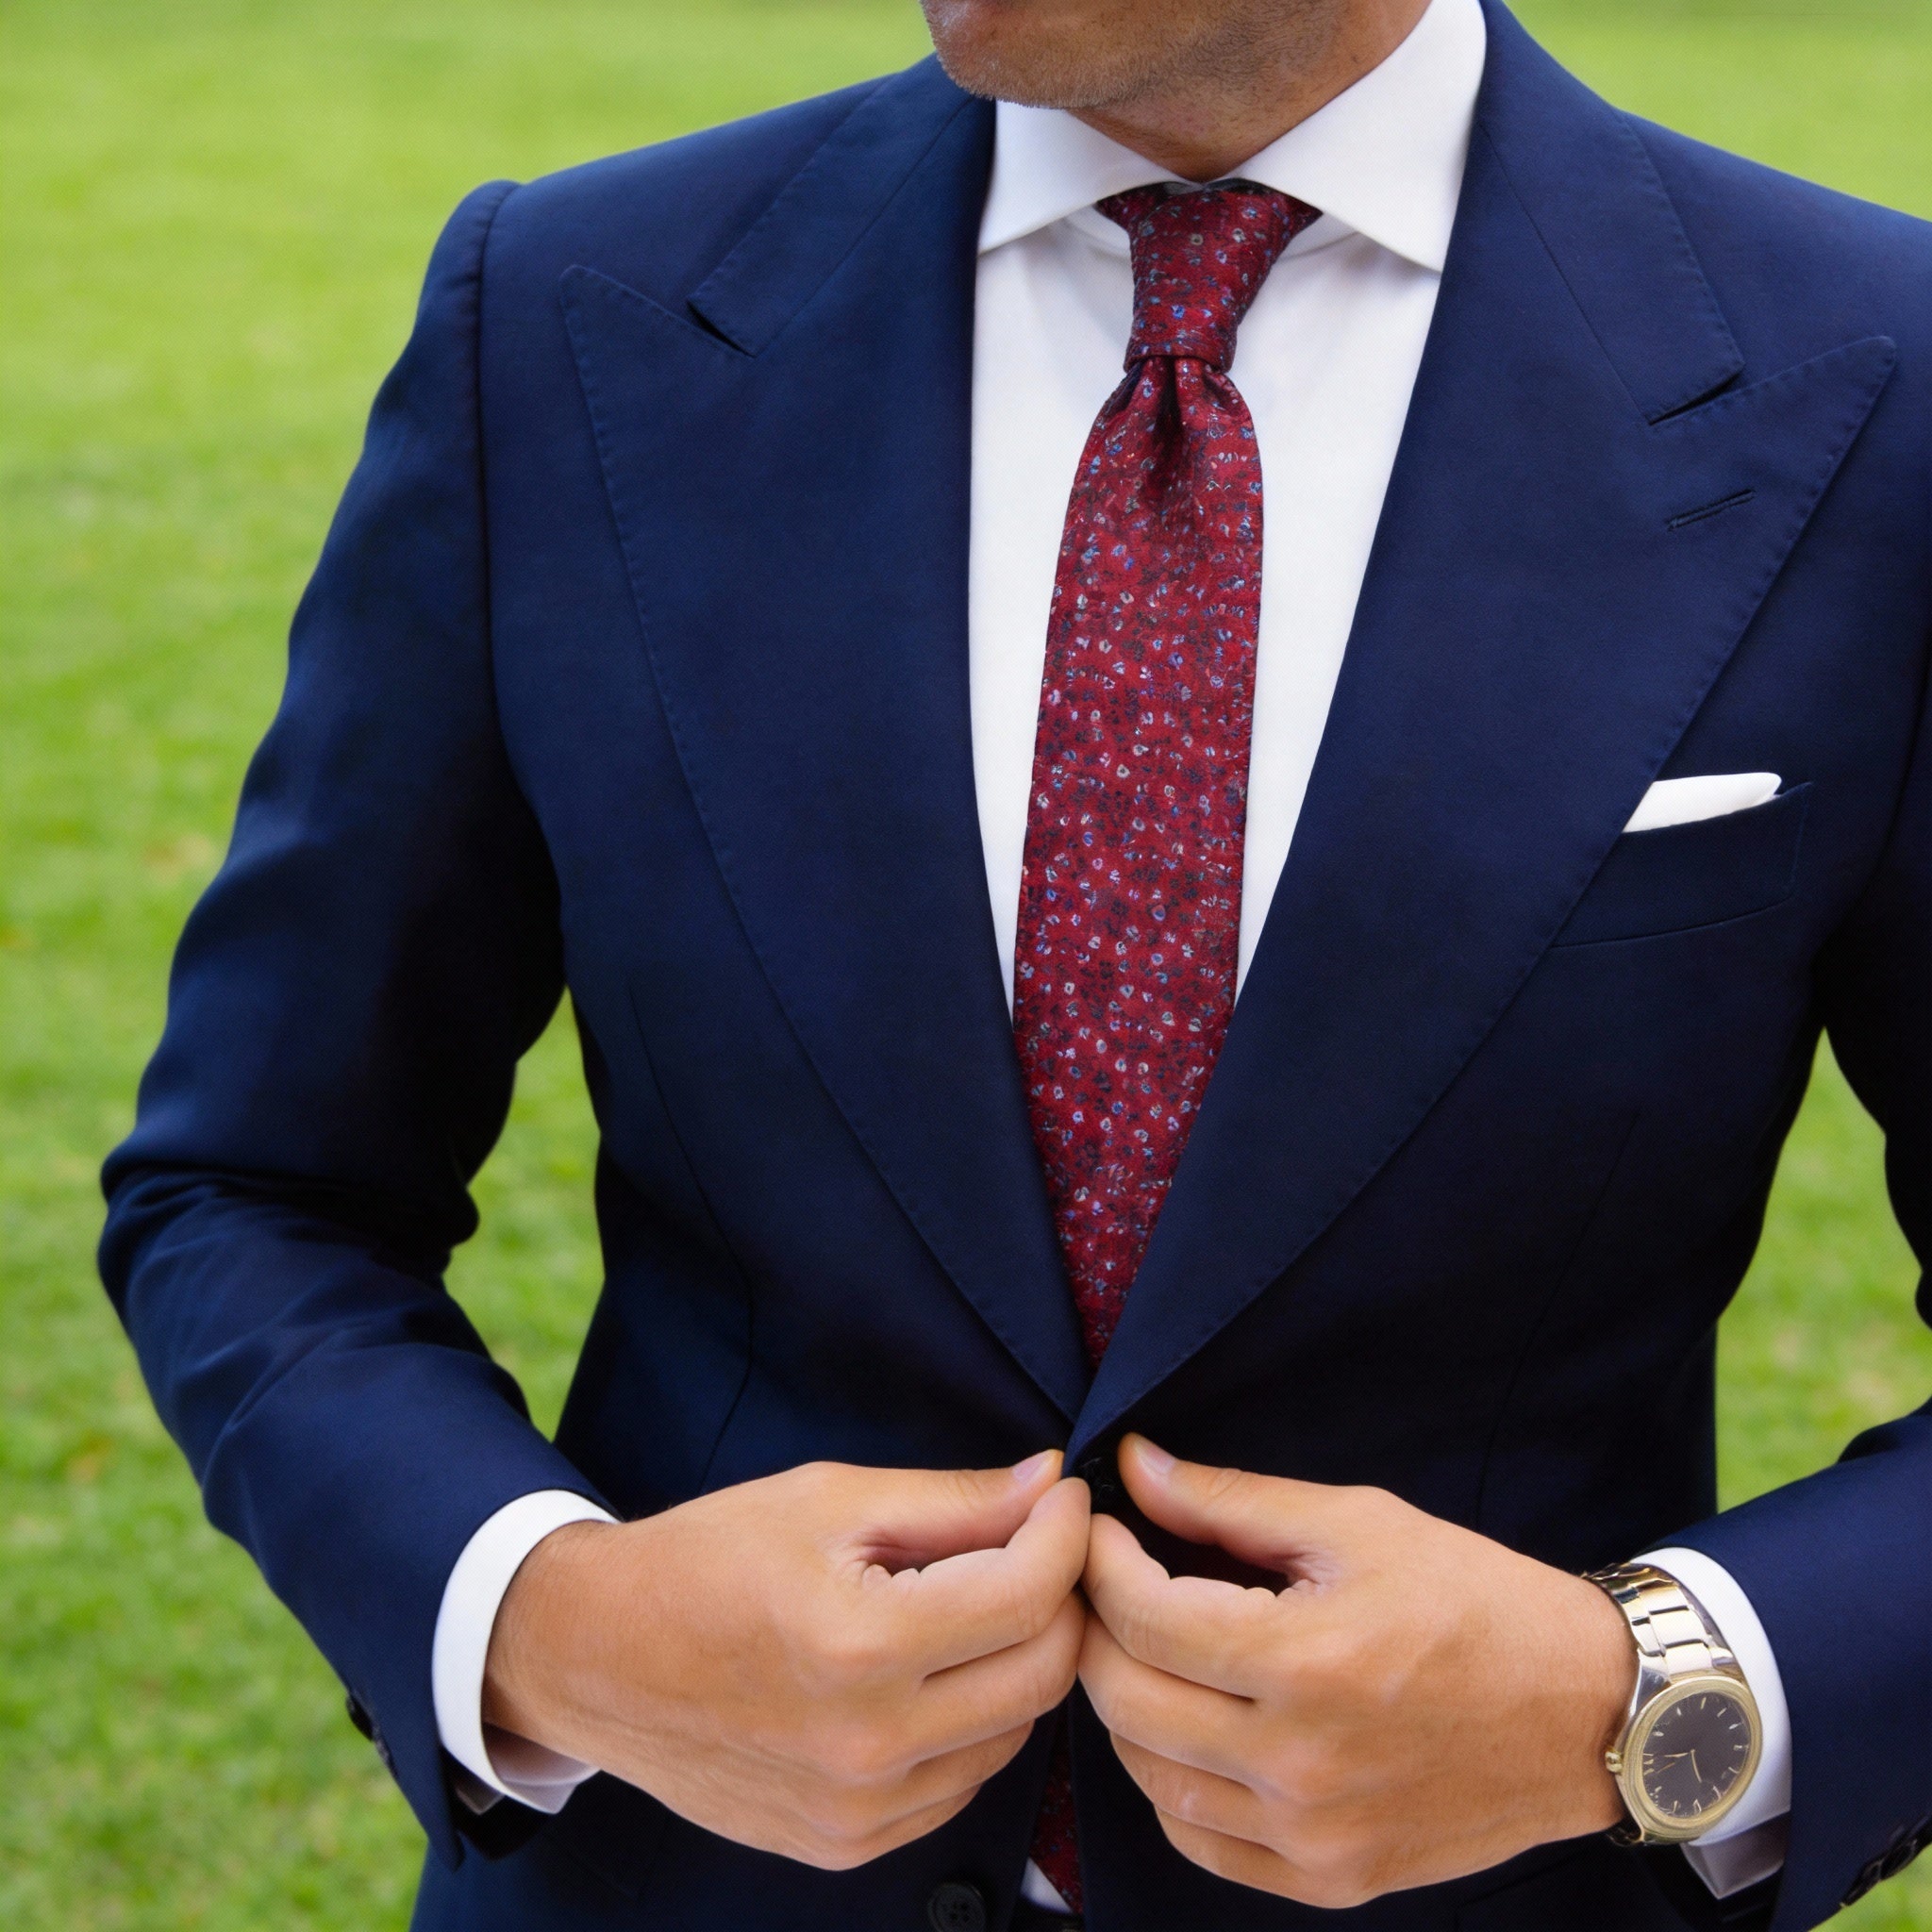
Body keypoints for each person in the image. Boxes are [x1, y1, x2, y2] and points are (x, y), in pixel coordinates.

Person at [99, 0, 1931, 1924]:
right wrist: (548, 1621)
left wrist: (1641, 1692)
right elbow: (257, 1183)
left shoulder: (1875, 385)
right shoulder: (563, 314)